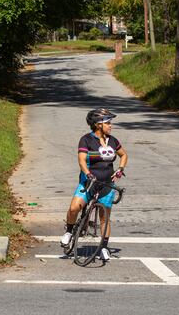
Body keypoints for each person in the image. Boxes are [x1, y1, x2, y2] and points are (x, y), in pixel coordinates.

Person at [61, 108, 128, 261]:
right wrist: (88, 173)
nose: (110, 125)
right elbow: (82, 160)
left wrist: (120, 169)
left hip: (107, 185)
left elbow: (124, 155)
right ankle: (69, 232)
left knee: (105, 218)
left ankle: (104, 247)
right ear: (98, 125)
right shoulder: (86, 140)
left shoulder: (113, 140)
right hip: (89, 182)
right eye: (108, 123)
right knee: (74, 208)